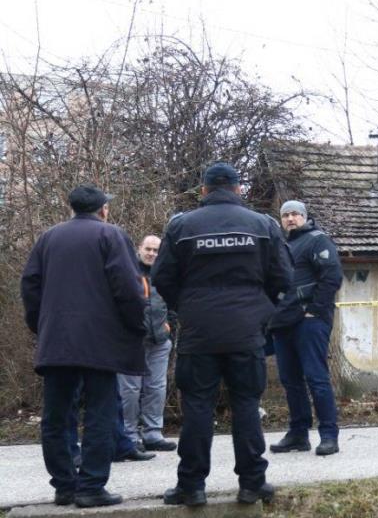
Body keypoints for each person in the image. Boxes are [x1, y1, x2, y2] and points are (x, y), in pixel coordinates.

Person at [152, 162, 293, 507]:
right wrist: (262, 311)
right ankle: (252, 483)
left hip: (199, 331)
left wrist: (185, 307)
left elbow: (162, 278)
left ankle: (191, 486)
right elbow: (284, 279)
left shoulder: (182, 226)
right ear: (238, 189)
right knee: (246, 404)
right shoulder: (263, 225)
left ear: (203, 190)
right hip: (246, 331)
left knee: (198, 406)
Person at [21, 184, 147, 508]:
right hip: (100, 343)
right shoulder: (110, 235)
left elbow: (30, 286)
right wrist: (136, 326)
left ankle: (64, 485)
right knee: (100, 413)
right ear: (103, 209)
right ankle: (91, 486)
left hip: (57, 340)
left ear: (71, 208)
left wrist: (42, 325)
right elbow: (128, 288)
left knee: (56, 415)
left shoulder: (48, 238)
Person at [267, 200, 343, 456]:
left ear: (304, 217)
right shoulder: (281, 245)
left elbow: (332, 276)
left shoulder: (317, 240)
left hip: (309, 321)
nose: (290, 218)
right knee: (290, 381)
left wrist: (316, 311)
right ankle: (298, 434)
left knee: (316, 378)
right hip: (283, 322)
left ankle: (329, 436)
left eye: (295, 214)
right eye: (286, 215)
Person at [118, 235, 177, 452]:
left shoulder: (164, 273)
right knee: (130, 390)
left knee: (157, 387)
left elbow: (172, 305)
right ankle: (129, 435)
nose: (151, 253)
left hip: (160, 340)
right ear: (139, 249)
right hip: (132, 341)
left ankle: (153, 433)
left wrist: (169, 330)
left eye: (156, 250)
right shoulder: (127, 272)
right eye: (148, 249)